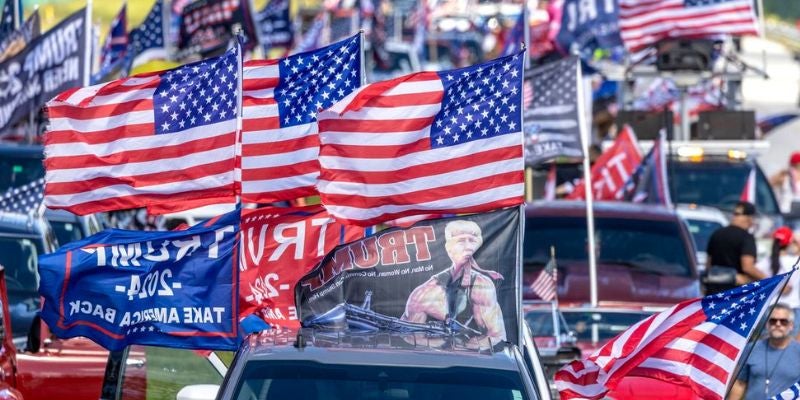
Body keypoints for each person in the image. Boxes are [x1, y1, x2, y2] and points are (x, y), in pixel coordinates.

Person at [401, 220, 506, 348]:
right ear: (449, 248)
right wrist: (446, 344)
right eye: (461, 241)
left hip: (476, 363)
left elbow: (496, 336)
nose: (468, 247)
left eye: (472, 241)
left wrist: (464, 347)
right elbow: (409, 338)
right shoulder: (425, 293)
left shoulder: (483, 287)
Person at [729, 303, 800, 399]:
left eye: (783, 321)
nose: (778, 324)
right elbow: (739, 383)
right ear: (767, 324)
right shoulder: (751, 348)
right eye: (773, 321)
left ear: (791, 325)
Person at [705, 201, 766, 294]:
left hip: (714, 292)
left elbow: (708, 264)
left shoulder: (717, 234)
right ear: (749, 218)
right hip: (735, 293)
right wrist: (769, 280)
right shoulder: (746, 237)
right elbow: (747, 267)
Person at [757, 226, 800, 336]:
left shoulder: (766, 261)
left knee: (767, 345)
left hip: (769, 310)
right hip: (792, 311)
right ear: (791, 242)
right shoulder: (795, 261)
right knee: (790, 349)